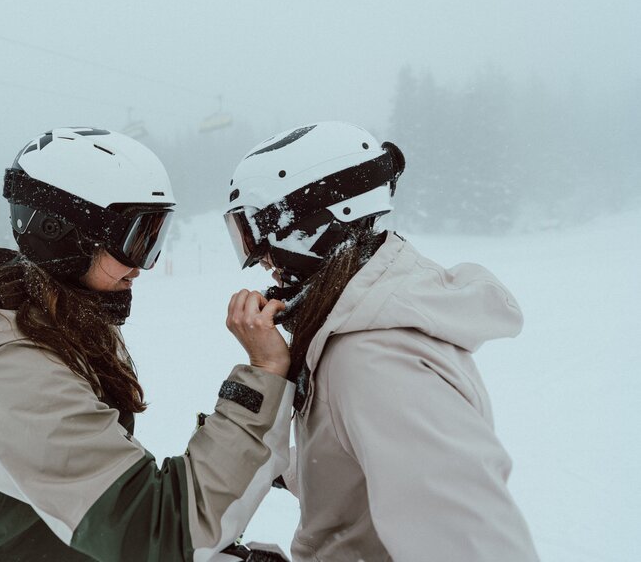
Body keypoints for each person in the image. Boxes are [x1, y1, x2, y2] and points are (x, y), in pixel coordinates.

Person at [0, 127, 295, 561]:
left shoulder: (54, 319)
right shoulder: (18, 372)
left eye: (154, 238)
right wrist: (263, 374)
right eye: (135, 239)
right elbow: (161, 533)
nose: (142, 266)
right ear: (61, 234)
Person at [223, 121, 540, 561]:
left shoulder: (372, 359)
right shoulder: (357, 326)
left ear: (315, 225)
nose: (260, 261)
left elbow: (471, 545)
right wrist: (290, 467)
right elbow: (370, 459)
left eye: (260, 236)